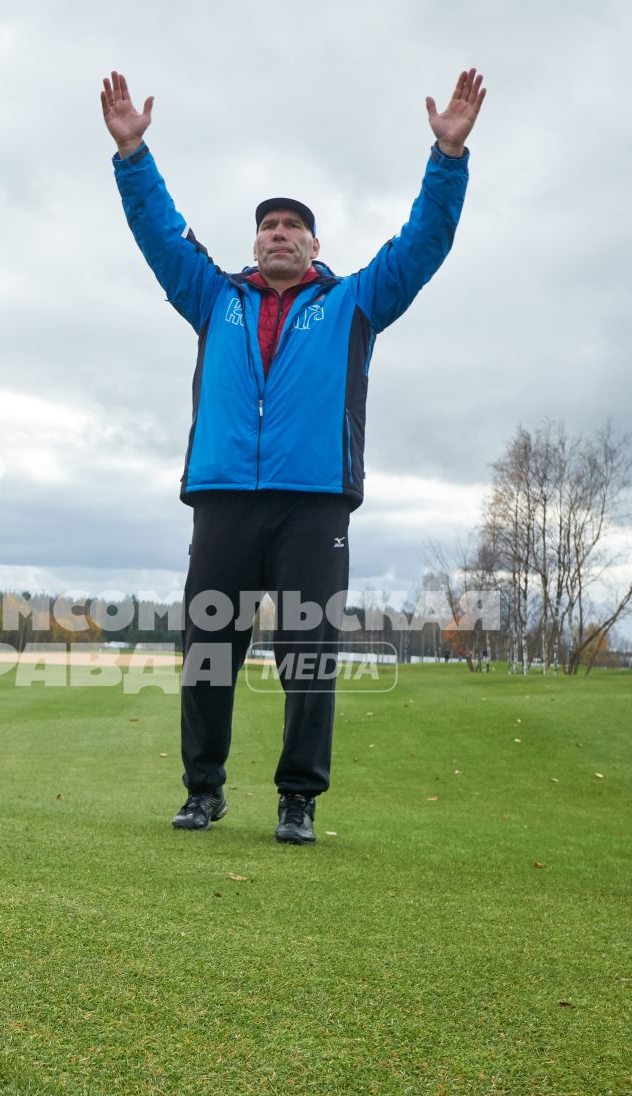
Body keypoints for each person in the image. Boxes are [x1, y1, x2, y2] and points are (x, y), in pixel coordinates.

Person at [102, 67, 485, 844]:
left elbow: (423, 244)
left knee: (309, 656)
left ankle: (298, 800)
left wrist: (447, 159)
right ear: (255, 244)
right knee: (208, 652)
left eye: (292, 227)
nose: (278, 234)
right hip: (222, 498)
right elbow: (159, 233)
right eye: (267, 226)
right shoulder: (216, 296)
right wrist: (133, 154)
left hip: (314, 504)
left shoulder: (354, 303)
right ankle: (202, 791)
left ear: (314, 245)